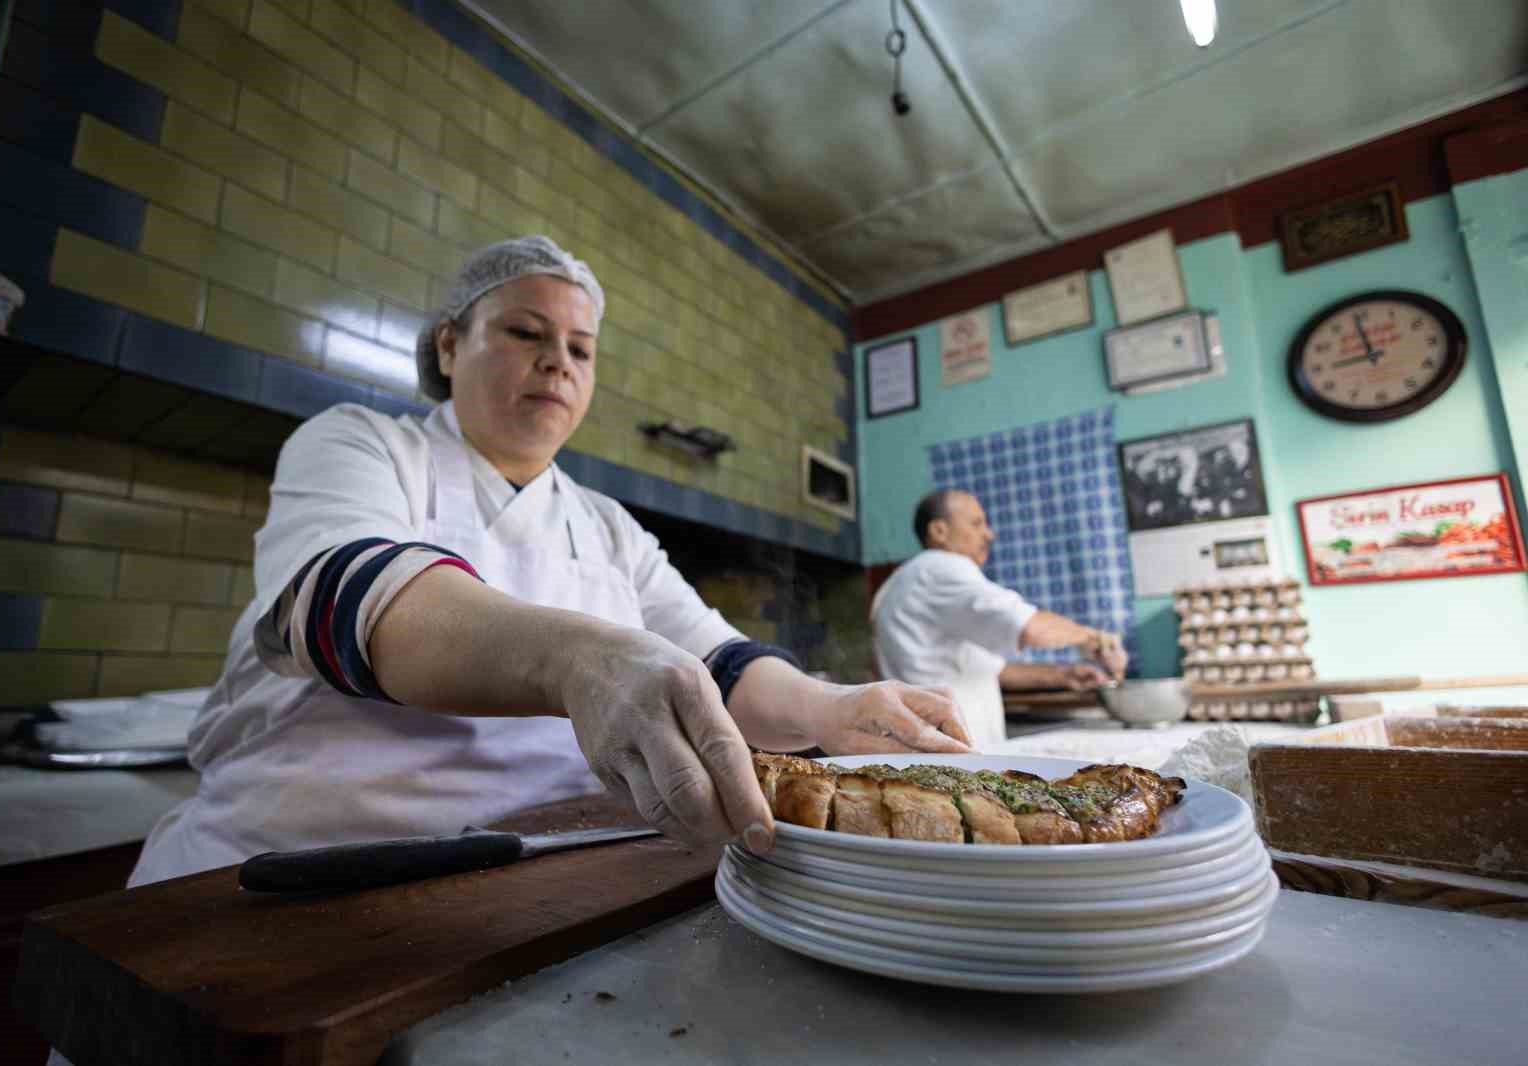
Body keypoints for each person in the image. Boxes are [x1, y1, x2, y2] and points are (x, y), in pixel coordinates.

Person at [126, 236, 971, 889]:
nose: (558, 361)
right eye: (526, 332)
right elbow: (348, 602)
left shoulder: (604, 525)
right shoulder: (363, 444)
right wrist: (576, 657)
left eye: (581, 348)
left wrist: (834, 709)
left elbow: (716, 660)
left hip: (536, 877)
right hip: (290, 876)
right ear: (452, 345)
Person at [870, 489, 1129, 750]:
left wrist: (1063, 676)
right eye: (976, 523)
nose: (989, 534)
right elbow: (1029, 627)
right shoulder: (941, 567)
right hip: (953, 749)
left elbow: (991, 670)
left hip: (939, 747)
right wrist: (1094, 638)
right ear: (939, 531)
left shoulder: (897, 585)